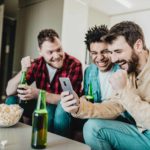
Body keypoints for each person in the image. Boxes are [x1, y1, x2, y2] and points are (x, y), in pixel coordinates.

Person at [61, 21, 150, 150]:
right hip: (141, 133)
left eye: (118, 51)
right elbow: (113, 106)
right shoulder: (128, 70)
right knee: (93, 127)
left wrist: (124, 90)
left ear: (138, 45)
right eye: (112, 52)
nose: (113, 59)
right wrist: (78, 107)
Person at [6, 28, 83, 138]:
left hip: (62, 108)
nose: (56, 55)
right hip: (40, 105)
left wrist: (39, 94)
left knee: (51, 111)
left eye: (59, 49)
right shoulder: (37, 64)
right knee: (11, 100)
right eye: (50, 52)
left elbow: (70, 100)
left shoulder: (74, 65)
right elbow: (9, 90)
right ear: (40, 51)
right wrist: (23, 70)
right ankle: (14, 139)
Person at [84, 25, 118, 102]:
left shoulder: (122, 69)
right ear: (90, 54)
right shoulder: (88, 71)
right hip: (94, 113)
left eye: (105, 51)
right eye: (94, 53)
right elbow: (87, 97)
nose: (100, 58)